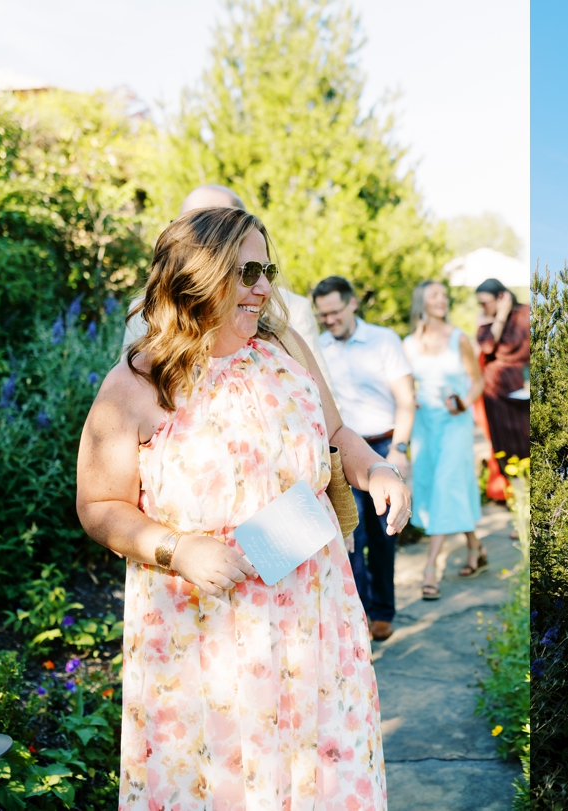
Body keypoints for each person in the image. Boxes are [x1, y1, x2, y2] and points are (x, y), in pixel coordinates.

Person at [76, 208, 409, 809]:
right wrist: (178, 549)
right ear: (196, 277)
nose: (263, 287)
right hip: (203, 633)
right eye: (245, 270)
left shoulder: (285, 349)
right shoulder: (137, 385)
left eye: (266, 269)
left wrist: (378, 469)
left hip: (313, 615)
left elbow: (338, 433)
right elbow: (99, 505)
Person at [121, 184, 335, 390]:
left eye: (218, 224)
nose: (204, 237)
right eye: (191, 225)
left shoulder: (292, 312)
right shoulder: (145, 310)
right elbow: (131, 390)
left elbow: (324, 409)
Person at [313, 276, 415, 642]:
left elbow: (406, 400)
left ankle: (384, 612)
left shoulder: (384, 341)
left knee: (383, 537)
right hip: (340, 455)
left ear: (352, 303)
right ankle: (360, 614)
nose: (329, 320)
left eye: (335, 311)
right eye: (322, 314)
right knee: (348, 537)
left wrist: (398, 453)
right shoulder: (317, 347)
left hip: (383, 446)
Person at [403, 280, 487, 599]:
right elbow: (403, 385)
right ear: (421, 301)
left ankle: (430, 570)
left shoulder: (458, 338)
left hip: (455, 422)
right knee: (436, 483)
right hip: (425, 424)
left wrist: (464, 402)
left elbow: (477, 382)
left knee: (445, 483)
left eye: (444, 295)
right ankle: (475, 548)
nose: (442, 300)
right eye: (434, 295)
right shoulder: (408, 344)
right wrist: (411, 396)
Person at [475, 278, 530, 461]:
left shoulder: (525, 313)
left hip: (521, 386)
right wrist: (498, 318)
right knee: (505, 445)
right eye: (479, 303)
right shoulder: (486, 320)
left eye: (484, 303)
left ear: (501, 296)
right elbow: (488, 347)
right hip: (496, 392)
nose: (482, 307)